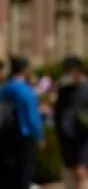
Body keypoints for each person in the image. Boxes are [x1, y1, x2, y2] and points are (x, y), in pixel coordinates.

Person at [55, 56, 88, 189]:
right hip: (70, 140)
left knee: (83, 170)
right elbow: (59, 115)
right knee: (83, 172)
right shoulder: (65, 90)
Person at [0, 56, 45, 189]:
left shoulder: (5, 88)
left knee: (8, 173)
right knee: (24, 173)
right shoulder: (24, 90)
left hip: (4, 135)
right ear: (25, 70)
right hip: (23, 135)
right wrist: (39, 136)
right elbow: (32, 115)